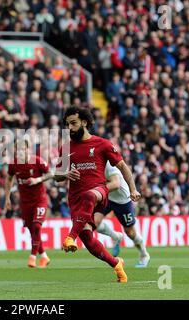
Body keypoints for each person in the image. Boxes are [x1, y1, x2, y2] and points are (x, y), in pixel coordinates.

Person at [53, 106, 141, 283]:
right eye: (67, 124)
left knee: (89, 196)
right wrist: (66, 174)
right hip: (76, 199)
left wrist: (133, 189)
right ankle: (117, 265)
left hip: (98, 192)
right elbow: (57, 177)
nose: (69, 128)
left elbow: (123, 166)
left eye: (73, 123)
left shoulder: (102, 144)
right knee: (88, 239)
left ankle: (70, 237)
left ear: (84, 122)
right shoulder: (66, 148)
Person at [4, 138, 51, 268]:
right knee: (32, 231)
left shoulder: (37, 161)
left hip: (39, 200)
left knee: (37, 226)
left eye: (22, 149)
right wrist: (7, 198)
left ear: (27, 149)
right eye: (17, 149)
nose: (20, 152)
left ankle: (32, 257)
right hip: (25, 202)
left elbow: (50, 173)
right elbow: (8, 180)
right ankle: (45, 257)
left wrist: (38, 180)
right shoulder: (13, 164)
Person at [94, 162, 150, 267]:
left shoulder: (108, 165)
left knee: (130, 233)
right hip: (107, 197)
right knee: (93, 222)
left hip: (122, 200)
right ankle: (116, 236)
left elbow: (116, 184)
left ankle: (144, 255)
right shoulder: (91, 163)